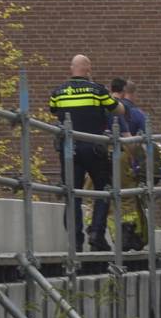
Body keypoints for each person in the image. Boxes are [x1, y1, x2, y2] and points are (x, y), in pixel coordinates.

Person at [49, 54, 124, 252]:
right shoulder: (97, 90)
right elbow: (117, 109)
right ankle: (96, 234)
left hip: (69, 150)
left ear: (70, 68)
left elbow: (53, 109)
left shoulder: (58, 92)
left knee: (72, 193)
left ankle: (75, 241)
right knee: (104, 188)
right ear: (88, 70)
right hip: (94, 147)